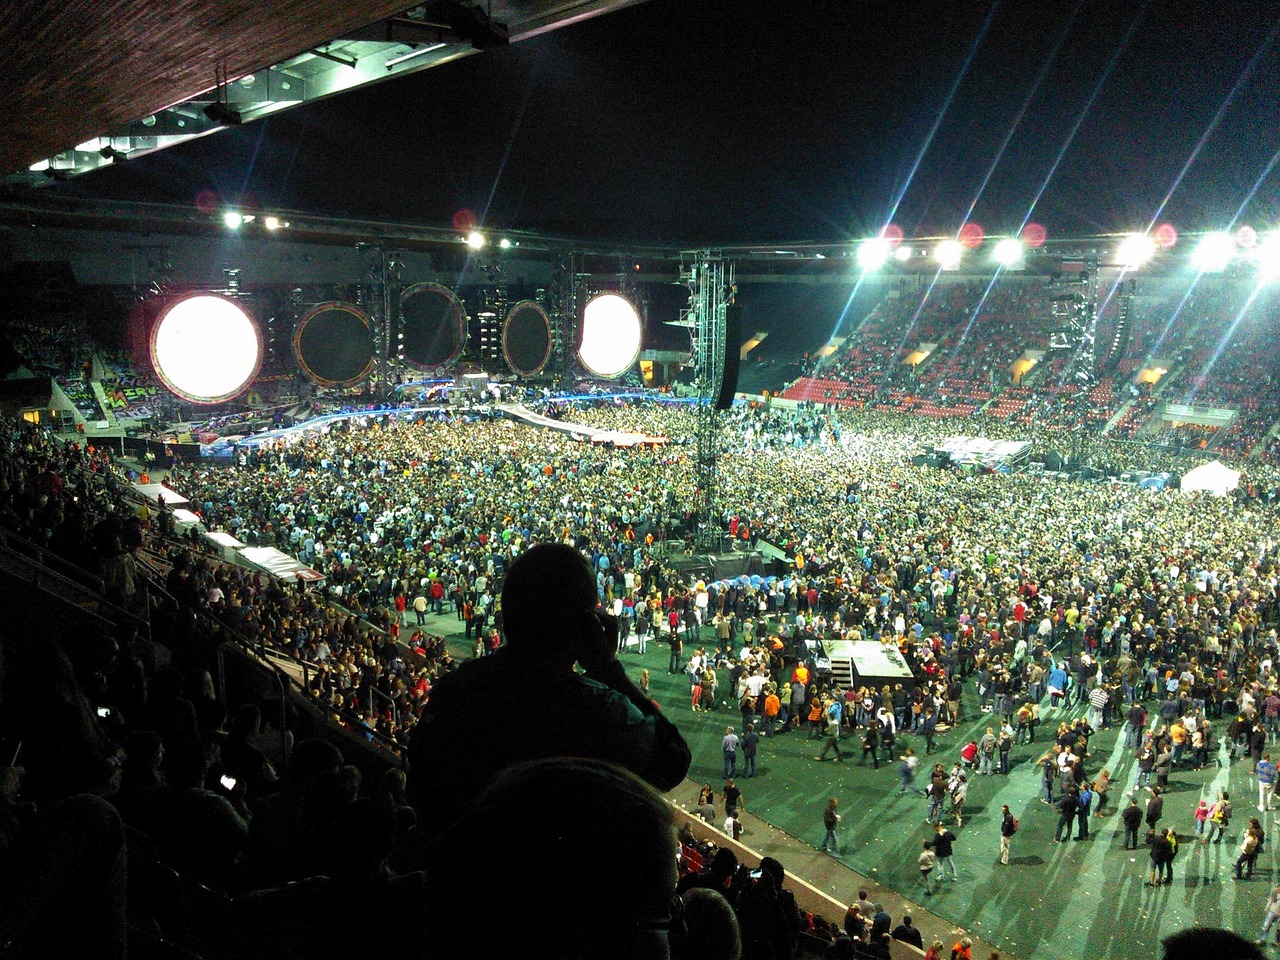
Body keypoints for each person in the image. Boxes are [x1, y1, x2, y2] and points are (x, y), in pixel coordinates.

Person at [408, 543, 691, 833]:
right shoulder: (597, 711)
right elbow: (673, 760)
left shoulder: (455, 690)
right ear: (587, 625)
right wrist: (607, 669)